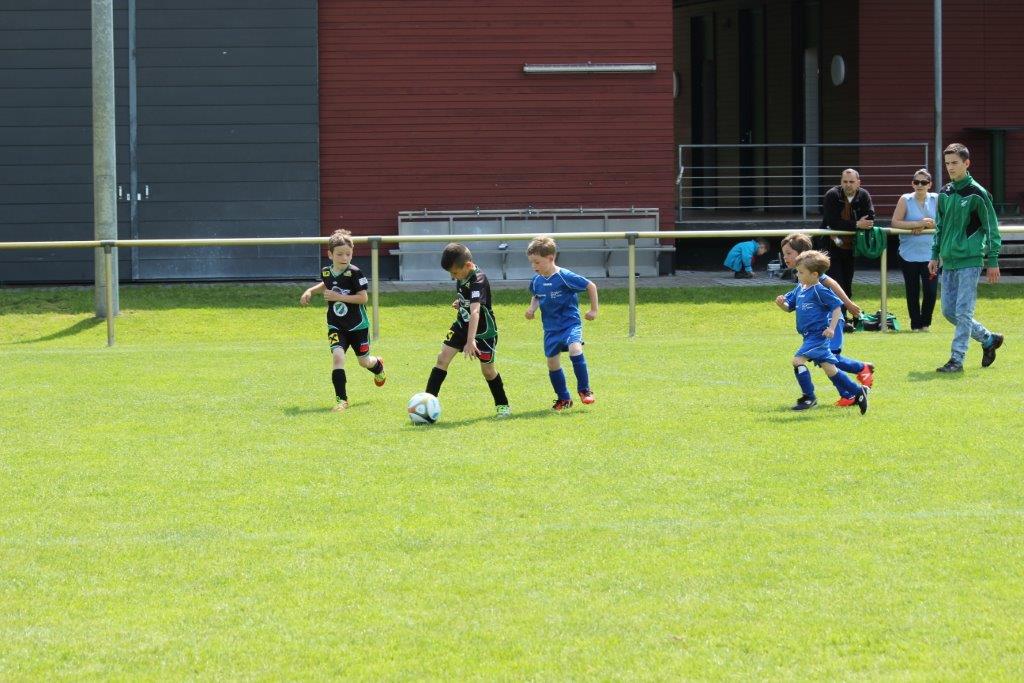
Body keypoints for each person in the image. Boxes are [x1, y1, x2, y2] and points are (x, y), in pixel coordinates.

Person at [929, 143, 1004, 373]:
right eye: (947, 163)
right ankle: (988, 338)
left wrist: (993, 260)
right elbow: (939, 227)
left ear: (967, 163)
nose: (950, 167)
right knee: (949, 311)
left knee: (963, 311)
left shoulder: (978, 193)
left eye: (955, 163)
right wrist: (934, 255)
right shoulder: (944, 193)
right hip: (948, 261)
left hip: (971, 260)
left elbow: (992, 228)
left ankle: (956, 360)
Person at [299, 229, 386, 412]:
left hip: (358, 326)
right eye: (339, 254)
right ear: (330, 254)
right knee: (338, 357)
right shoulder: (326, 272)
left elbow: (363, 298)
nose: (344, 257)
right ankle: (342, 400)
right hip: (336, 325)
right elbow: (326, 284)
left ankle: (377, 366)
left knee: (364, 362)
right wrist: (310, 291)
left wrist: (338, 297)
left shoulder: (355, 273)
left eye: (348, 253)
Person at [774, 250, 869, 414]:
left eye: (801, 272)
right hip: (808, 337)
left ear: (814, 274)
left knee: (797, 361)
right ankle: (858, 391)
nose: (797, 274)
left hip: (817, 336)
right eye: (797, 271)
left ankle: (809, 397)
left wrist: (831, 328)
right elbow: (789, 307)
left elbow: (837, 308)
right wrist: (781, 304)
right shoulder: (800, 288)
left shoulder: (819, 290)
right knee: (830, 368)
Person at [423, 243, 511, 417]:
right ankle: (427, 404)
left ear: (468, 265)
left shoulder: (479, 280)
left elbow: (476, 312)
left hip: (484, 331)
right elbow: (469, 300)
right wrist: (461, 302)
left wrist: (471, 341)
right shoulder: (462, 274)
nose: (453, 277)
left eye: (455, 273)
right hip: (462, 325)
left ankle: (502, 405)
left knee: (488, 371)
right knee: (442, 359)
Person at [780, 232, 874, 391]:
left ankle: (861, 371)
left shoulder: (814, 274)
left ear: (802, 254)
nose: (785, 257)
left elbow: (833, 284)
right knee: (824, 360)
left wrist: (849, 304)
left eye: (789, 253)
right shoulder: (802, 276)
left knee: (829, 358)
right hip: (819, 326)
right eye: (784, 254)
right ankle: (850, 392)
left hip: (830, 321)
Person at [524, 236, 599, 411]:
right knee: (552, 363)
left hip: (569, 324)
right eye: (531, 263)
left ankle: (585, 390)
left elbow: (590, 286)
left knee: (575, 349)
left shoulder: (564, 276)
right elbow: (536, 296)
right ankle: (564, 399)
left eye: (537, 262)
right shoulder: (537, 280)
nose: (534, 266)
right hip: (551, 329)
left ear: (551, 258)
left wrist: (594, 310)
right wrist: (531, 309)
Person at [819, 168, 876, 330]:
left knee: (847, 284)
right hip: (830, 247)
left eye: (851, 182)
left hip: (851, 247)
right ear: (841, 182)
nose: (848, 185)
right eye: (845, 181)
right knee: (836, 284)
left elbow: (870, 217)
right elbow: (832, 221)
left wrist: (849, 225)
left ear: (858, 183)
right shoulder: (832, 195)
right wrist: (856, 224)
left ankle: (844, 319)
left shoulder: (863, 195)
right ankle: (840, 321)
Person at [891, 169, 939, 331]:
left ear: (930, 184)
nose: (920, 185)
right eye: (916, 182)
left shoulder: (937, 199)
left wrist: (928, 225)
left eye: (924, 182)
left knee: (930, 291)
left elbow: (945, 222)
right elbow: (895, 222)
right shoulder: (905, 199)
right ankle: (915, 325)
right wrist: (919, 223)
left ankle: (926, 324)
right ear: (912, 184)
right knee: (912, 291)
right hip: (908, 254)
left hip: (931, 255)